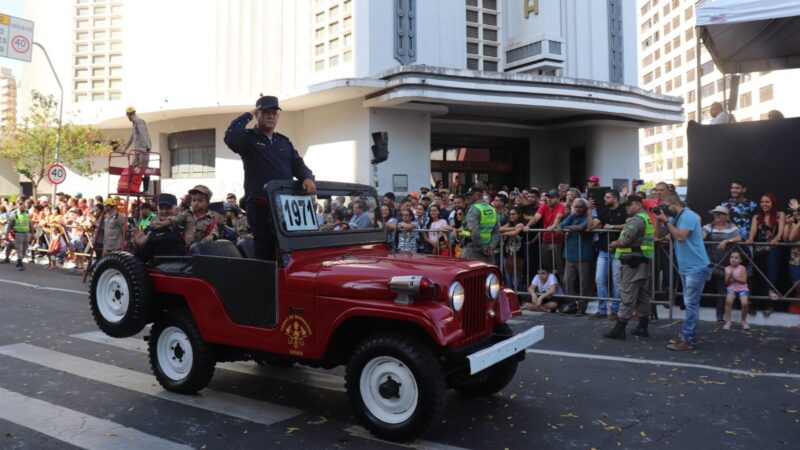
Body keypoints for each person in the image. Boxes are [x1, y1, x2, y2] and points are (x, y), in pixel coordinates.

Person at [223, 95, 316, 260]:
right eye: (266, 112)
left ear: (278, 116)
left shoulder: (284, 142)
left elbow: (298, 164)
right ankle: (265, 285)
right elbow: (230, 137)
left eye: (274, 113)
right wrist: (248, 115)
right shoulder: (248, 139)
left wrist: (307, 177)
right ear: (257, 115)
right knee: (265, 252)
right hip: (261, 206)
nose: (271, 116)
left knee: (289, 251)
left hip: (285, 206)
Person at [655, 193, 711, 351]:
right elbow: (659, 236)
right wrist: (660, 221)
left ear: (673, 202)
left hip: (697, 266)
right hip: (687, 267)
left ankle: (687, 339)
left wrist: (665, 220)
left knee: (691, 304)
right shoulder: (674, 218)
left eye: (665, 206)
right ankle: (689, 335)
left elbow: (680, 237)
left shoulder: (688, 216)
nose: (664, 209)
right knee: (690, 303)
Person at [604, 195, 655, 339]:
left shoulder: (635, 220)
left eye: (629, 205)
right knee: (643, 296)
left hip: (632, 263)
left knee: (627, 295)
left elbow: (625, 241)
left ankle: (619, 329)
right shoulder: (647, 219)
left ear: (637, 205)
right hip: (643, 261)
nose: (626, 208)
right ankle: (642, 327)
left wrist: (614, 244)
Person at [588, 189, 626, 320]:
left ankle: (615, 310)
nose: (605, 199)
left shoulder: (624, 210)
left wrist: (613, 227)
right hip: (603, 251)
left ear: (615, 198)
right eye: (605, 197)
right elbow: (591, 227)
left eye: (608, 197)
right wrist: (590, 210)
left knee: (617, 282)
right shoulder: (604, 211)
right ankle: (602, 309)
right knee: (599, 280)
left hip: (618, 252)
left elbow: (630, 225)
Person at [702, 206, 742, 322]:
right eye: (715, 214)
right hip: (710, 262)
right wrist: (703, 236)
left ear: (726, 216)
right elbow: (702, 235)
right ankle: (690, 307)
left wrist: (727, 241)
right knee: (699, 285)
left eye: (720, 214)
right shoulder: (709, 226)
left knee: (722, 290)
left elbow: (739, 238)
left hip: (724, 264)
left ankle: (720, 315)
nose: (717, 216)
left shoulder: (732, 227)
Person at [746, 193, 786, 309]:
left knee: (771, 269)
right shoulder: (757, 217)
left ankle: (771, 296)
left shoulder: (780, 215)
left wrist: (777, 238)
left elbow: (781, 230)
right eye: (762, 202)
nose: (764, 204)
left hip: (774, 248)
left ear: (772, 203)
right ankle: (756, 303)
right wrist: (750, 238)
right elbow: (753, 230)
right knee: (759, 275)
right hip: (759, 249)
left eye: (767, 202)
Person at [558, 198, 594, 315]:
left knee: (583, 283)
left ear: (585, 208)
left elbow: (582, 228)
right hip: (569, 254)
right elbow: (560, 225)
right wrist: (561, 227)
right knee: (567, 281)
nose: (578, 209)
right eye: (576, 206)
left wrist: (565, 228)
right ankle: (571, 305)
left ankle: (582, 307)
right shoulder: (572, 216)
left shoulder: (587, 217)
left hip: (583, 256)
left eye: (580, 207)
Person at [131, 193, 188, 263]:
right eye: (161, 208)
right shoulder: (150, 231)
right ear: (157, 209)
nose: (164, 211)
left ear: (176, 209)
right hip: (163, 270)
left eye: (168, 208)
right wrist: (139, 246)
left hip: (188, 267)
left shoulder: (185, 227)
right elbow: (140, 260)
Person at [525, 189, 567, 276]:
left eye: (552, 197)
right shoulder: (544, 206)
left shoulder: (561, 206)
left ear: (558, 198)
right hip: (545, 240)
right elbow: (536, 217)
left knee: (559, 268)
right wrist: (527, 225)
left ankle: (563, 288)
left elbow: (558, 217)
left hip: (557, 241)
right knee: (545, 268)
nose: (549, 199)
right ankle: (547, 288)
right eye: (548, 197)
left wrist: (553, 226)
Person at [460, 186, 500, 264]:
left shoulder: (474, 208)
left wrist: (482, 247)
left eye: (471, 195)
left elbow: (474, 232)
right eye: (468, 195)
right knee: (488, 274)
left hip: (473, 249)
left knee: (472, 274)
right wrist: (491, 247)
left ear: (479, 196)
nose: (468, 197)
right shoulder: (492, 209)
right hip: (488, 249)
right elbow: (497, 232)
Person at [123, 106, 153, 191]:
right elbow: (131, 137)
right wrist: (125, 149)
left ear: (129, 114)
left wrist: (147, 147)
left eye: (128, 116)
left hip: (143, 149)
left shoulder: (139, 121)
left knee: (144, 168)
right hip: (137, 150)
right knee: (133, 168)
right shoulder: (135, 123)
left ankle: (146, 189)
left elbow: (143, 134)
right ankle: (133, 187)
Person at [722, 250, 750, 331]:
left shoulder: (742, 268)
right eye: (731, 257)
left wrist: (734, 278)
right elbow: (726, 283)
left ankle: (743, 321)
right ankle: (728, 322)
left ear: (740, 260)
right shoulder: (727, 269)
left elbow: (744, 280)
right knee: (728, 302)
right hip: (732, 289)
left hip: (742, 289)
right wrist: (729, 277)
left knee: (744, 304)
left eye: (736, 258)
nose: (733, 259)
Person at [5, 202, 31, 270]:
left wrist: (33, 233)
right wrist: (6, 234)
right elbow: (9, 225)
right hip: (18, 234)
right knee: (19, 249)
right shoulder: (14, 214)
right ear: (18, 207)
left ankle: (19, 261)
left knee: (24, 249)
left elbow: (30, 223)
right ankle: (20, 263)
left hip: (26, 234)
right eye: (20, 206)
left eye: (23, 206)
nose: (22, 207)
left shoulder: (27, 213)